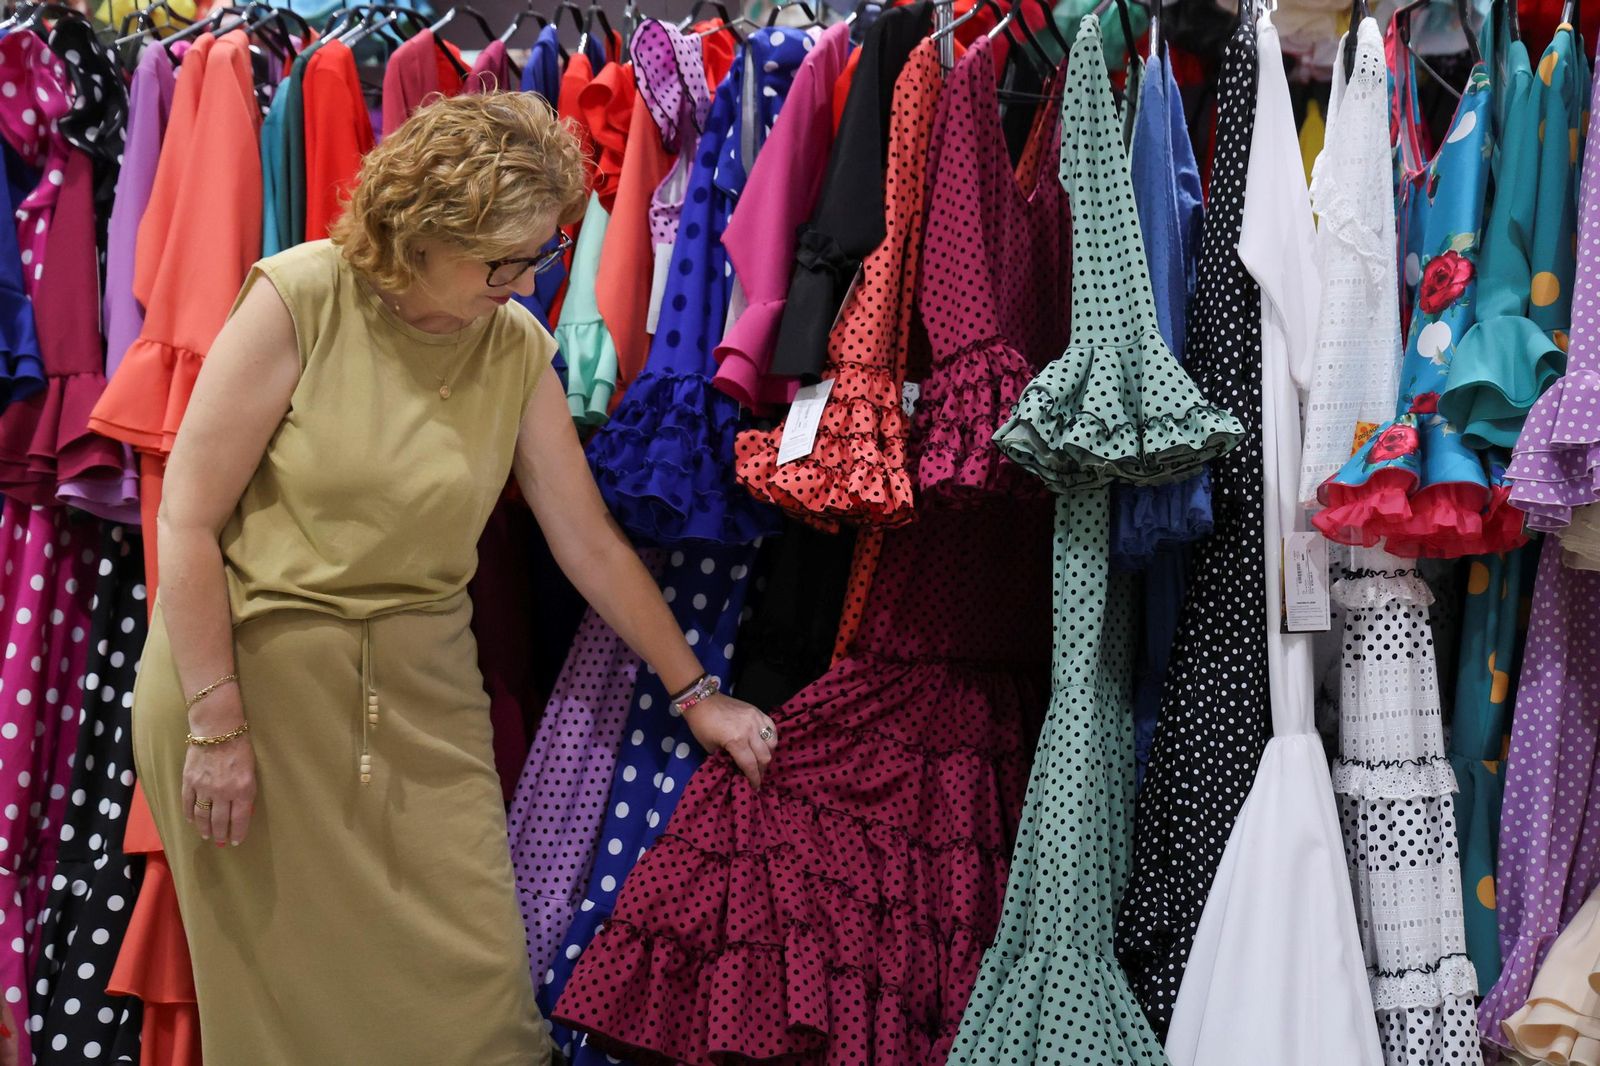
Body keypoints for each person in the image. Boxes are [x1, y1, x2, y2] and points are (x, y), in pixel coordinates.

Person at [129, 92, 779, 1066]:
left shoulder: (513, 346)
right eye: (501, 260)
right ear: (422, 233)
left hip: (425, 696)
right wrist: (217, 725)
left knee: (478, 1002)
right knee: (282, 1005)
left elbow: (587, 539)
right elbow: (184, 521)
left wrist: (696, 694)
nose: (523, 281)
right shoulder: (303, 295)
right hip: (250, 690)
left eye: (540, 256)